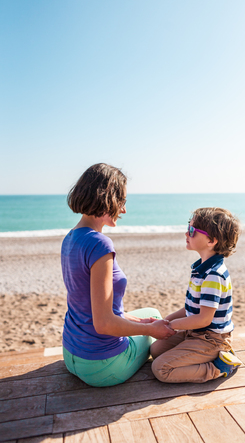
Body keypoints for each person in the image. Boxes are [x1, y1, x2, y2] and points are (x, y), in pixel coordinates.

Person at [61, 163, 175, 387]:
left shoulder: (71, 237)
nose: (123, 210)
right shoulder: (99, 244)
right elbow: (103, 324)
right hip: (101, 366)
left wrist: (142, 322)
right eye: (121, 201)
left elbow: (93, 309)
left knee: (150, 313)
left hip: (72, 354)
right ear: (106, 198)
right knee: (157, 328)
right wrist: (149, 330)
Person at [150, 207, 242, 383]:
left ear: (211, 241)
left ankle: (219, 367)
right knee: (155, 350)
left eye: (192, 230)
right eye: (188, 227)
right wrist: (166, 321)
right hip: (195, 332)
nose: (186, 233)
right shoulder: (201, 268)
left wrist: (173, 327)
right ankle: (206, 356)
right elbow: (191, 309)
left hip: (211, 339)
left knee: (161, 369)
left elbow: (203, 319)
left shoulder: (214, 275)